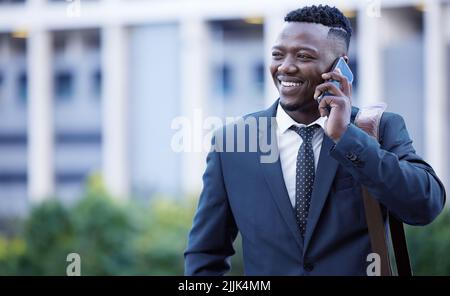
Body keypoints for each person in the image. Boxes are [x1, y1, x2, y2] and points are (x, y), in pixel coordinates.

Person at [184, 5, 446, 275]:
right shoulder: (233, 143)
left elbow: (425, 206)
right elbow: (205, 254)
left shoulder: (377, 129)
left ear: (340, 66)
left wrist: (347, 137)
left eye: (303, 56)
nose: (285, 66)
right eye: (277, 54)